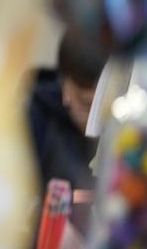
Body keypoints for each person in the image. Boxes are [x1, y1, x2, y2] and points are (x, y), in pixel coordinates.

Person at [26, 33, 107, 195]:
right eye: (87, 104)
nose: (99, 122)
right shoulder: (33, 122)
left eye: (106, 107)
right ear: (65, 89)